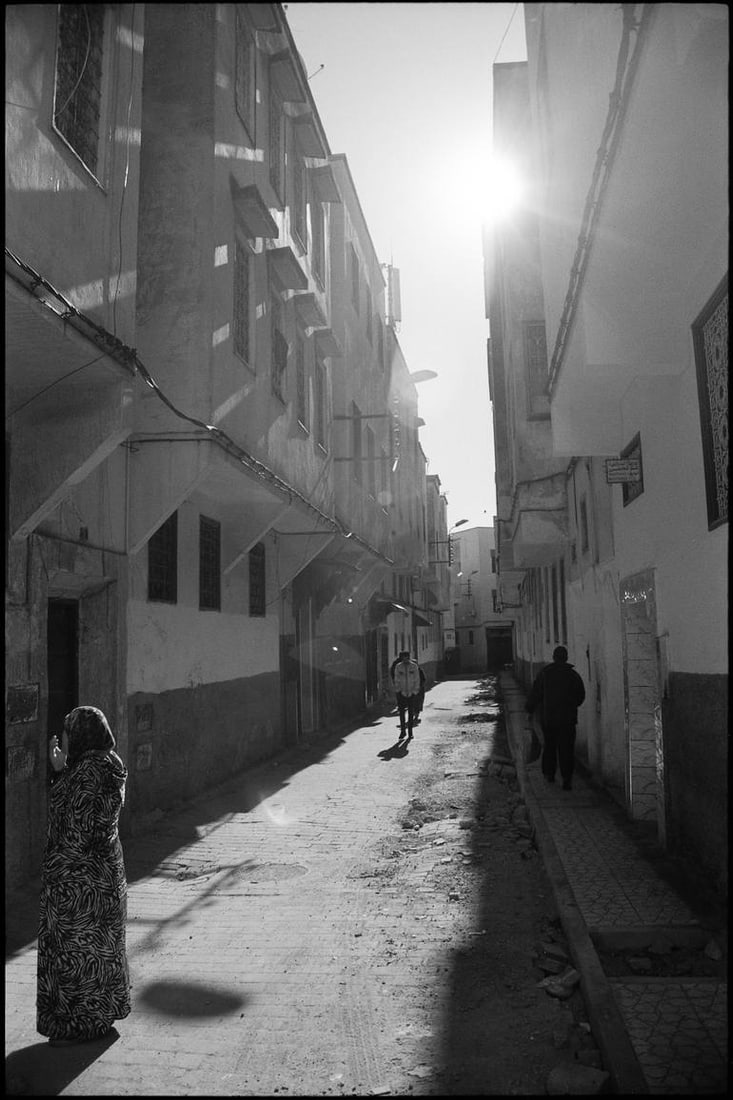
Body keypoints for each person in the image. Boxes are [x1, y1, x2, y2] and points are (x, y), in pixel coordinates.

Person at [37, 706, 131, 1045]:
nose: (64, 739)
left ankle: (81, 1025)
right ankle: (101, 1016)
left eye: (67, 732)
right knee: (101, 949)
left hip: (80, 884)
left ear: (81, 735)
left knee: (79, 953)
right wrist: (64, 770)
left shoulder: (88, 772)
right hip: (104, 873)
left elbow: (74, 827)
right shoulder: (109, 762)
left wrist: (60, 773)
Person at [525, 646, 586, 790]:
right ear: (566, 658)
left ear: (553, 657)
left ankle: (550, 774)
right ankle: (567, 779)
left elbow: (536, 693)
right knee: (567, 749)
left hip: (549, 719)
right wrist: (571, 706)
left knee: (550, 747)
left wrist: (529, 708)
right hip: (568, 720)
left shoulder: (545, 674)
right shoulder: (573, 675)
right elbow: (580, 696)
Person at [390, 651, 422, 741]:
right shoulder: (398, 667)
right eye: (403, 658)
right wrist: (398, 690)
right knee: (401, 713)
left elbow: (417, 679)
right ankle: (403, 731)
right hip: (401, 692)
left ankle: (410, 732)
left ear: (409, 657)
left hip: (411, 692)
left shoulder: (414, 666)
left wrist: (415, 691)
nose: (405, 660)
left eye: (407, 658)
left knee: (411, 713)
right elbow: (396, 679)